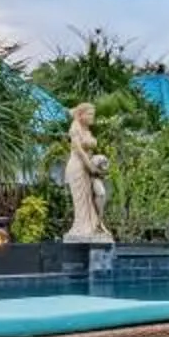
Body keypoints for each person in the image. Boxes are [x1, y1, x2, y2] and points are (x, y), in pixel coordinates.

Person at [63, 101, 112, 243]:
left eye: (93, 114)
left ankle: (96, 225)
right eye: (90, 114)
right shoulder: (75, 128)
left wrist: (98, 162)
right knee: (81, 201)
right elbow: (79, 151)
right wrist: (90, 167)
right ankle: (82, 227)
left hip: (89, 166)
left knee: (98, 194)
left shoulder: (87, 130)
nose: (92, 117)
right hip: (78, 167)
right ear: (81, 115)